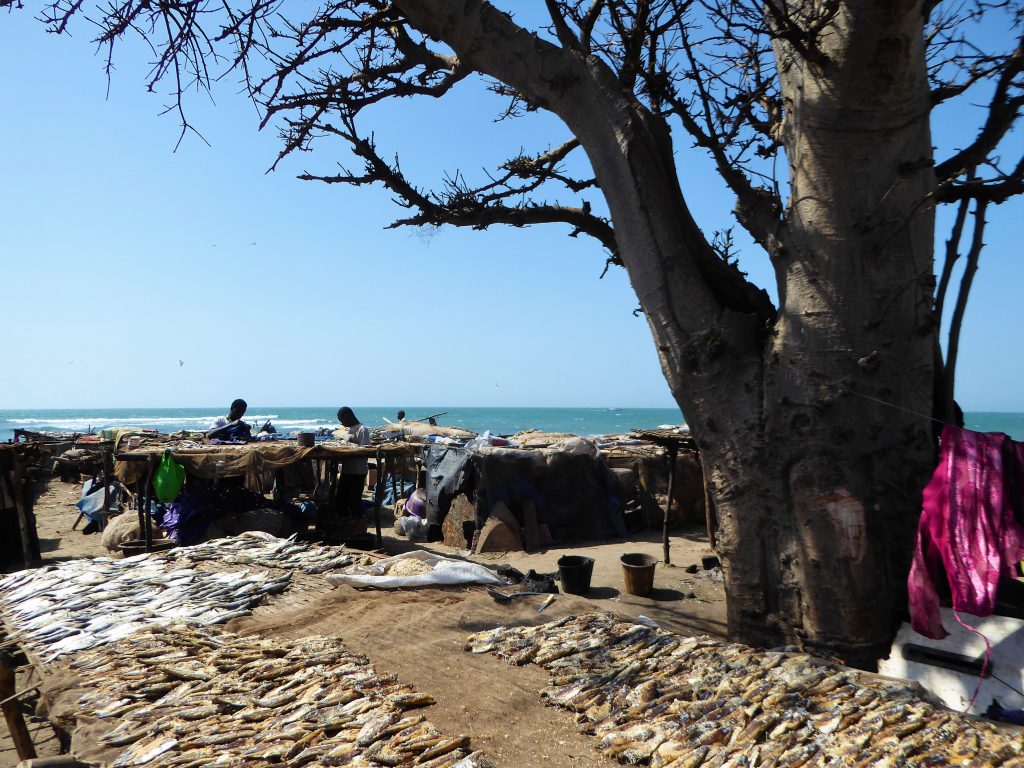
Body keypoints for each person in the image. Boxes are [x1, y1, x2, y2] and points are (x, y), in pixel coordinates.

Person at [335, 406, 371, 518]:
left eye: (342, 420)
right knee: (341, 499)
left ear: (347, 416)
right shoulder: (350, 430)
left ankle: (357, 524)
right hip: (347, 471)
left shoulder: (362, 430)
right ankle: (345, 523)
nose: (342, 423)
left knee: (354, 501)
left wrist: (349, 449)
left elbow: (365, 450)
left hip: (357, 472)